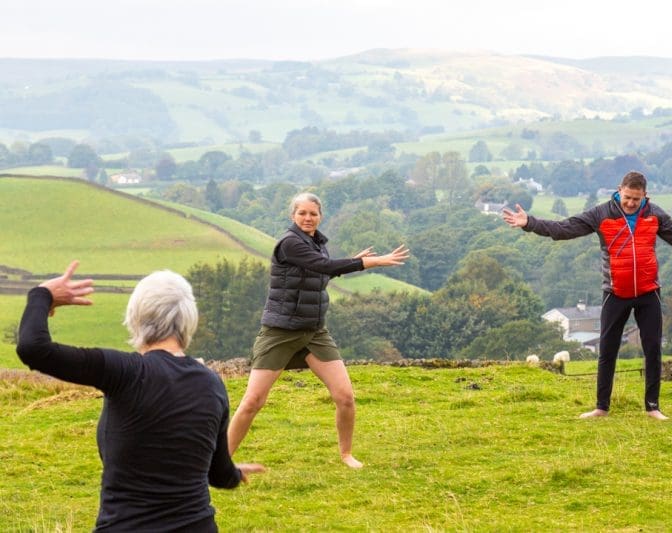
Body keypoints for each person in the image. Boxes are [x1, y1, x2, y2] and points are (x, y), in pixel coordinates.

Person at [16, 261, 264, 532]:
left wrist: (42, 294)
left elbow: (33, 348)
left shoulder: (124, 371)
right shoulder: (212, 384)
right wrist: (235, 474)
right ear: (188, 321)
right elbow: (217, 474)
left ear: (135, 316)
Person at [502, 171, 672, 420]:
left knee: (652, 349)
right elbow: (565, 228)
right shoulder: (601, 214)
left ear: (645, 195)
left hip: (648, 292)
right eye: (628, 197)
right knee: (607, 351)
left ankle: (653, 407)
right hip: (615, 293)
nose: (631, 203)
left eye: (637, 199)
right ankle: (601, 408)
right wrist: (530, 223)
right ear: (619, 190)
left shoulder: (655, 214)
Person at [227, 192, 410, 468]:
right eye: (302, 213)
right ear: (293, 216)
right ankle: (220, 462)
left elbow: (321, 272)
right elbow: (322, 266)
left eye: (313, 213)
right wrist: (370, 262)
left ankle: (346, 455)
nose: (308, 218)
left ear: (320, 216)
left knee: (345, 397)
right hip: (280, 332)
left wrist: (350, 262)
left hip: (314, 332)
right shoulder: (290, 243)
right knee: (253, 401)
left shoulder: (316, 243)